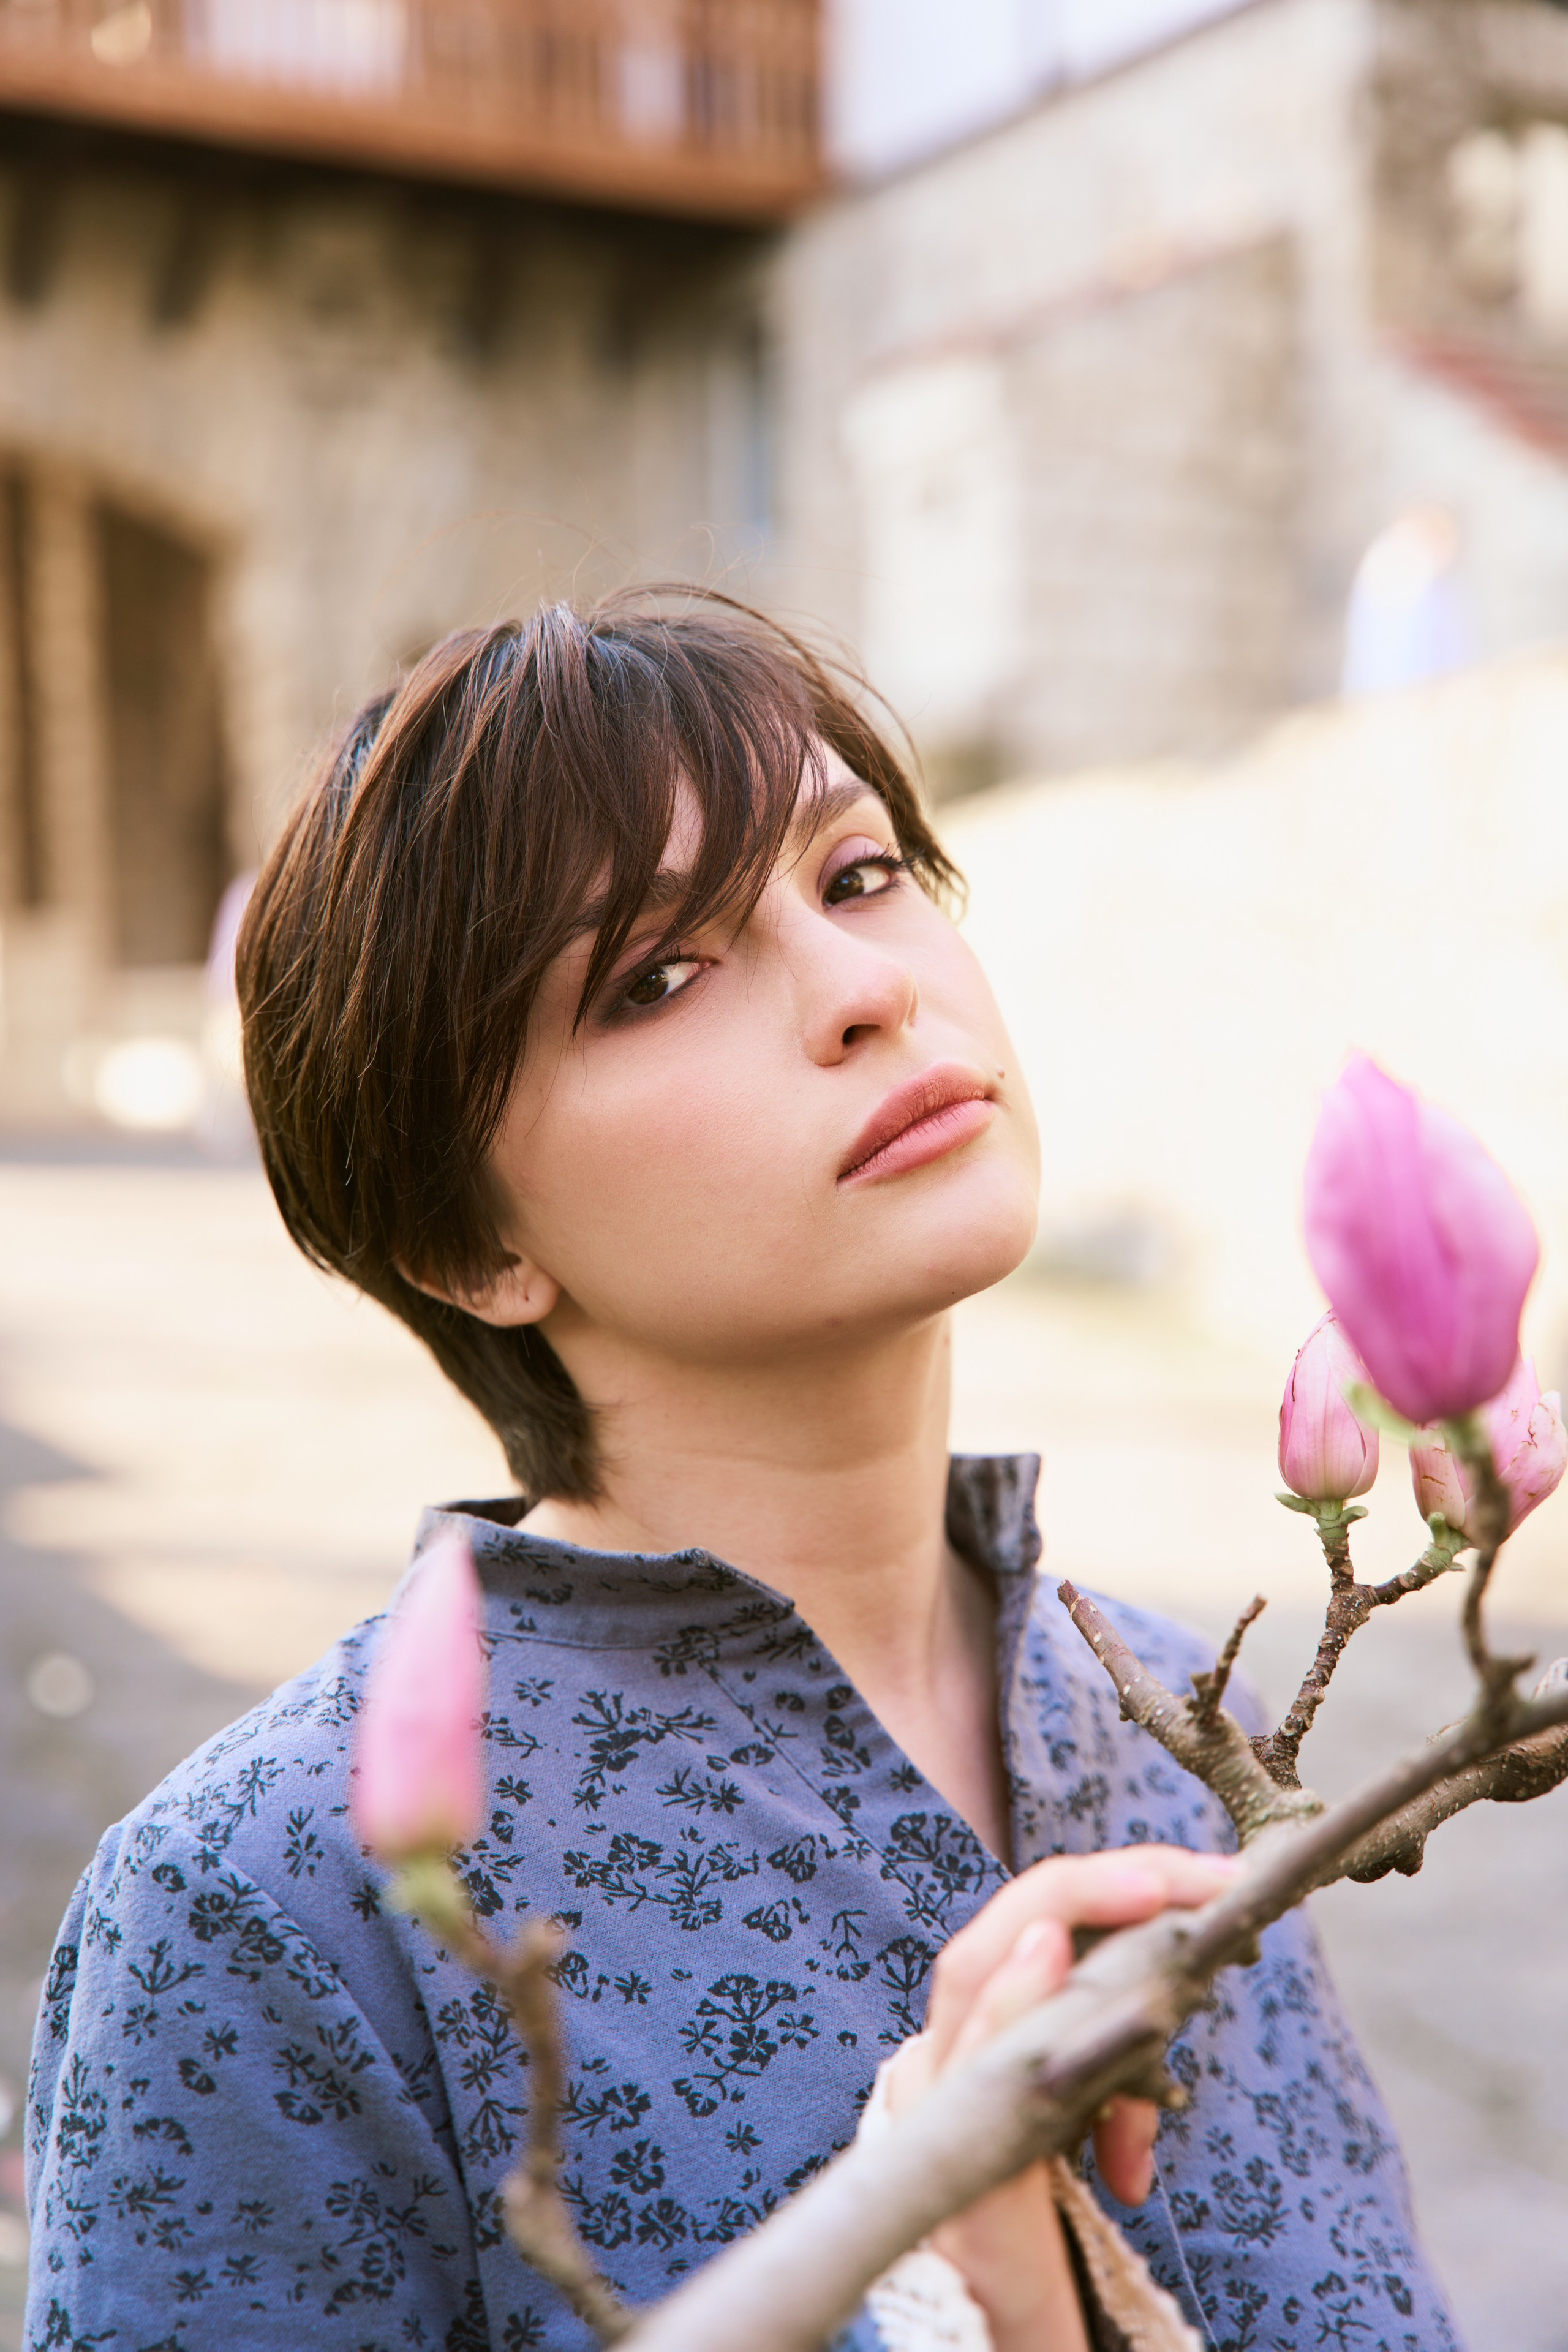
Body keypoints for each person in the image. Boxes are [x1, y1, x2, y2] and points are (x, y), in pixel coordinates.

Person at [24, 593, 1459, 2352]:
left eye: (859, 876)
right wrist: (936, 2285)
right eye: (655, 979)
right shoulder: (267, 1907)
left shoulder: (1175, 1722)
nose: (867, 991)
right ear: (466, 1245)